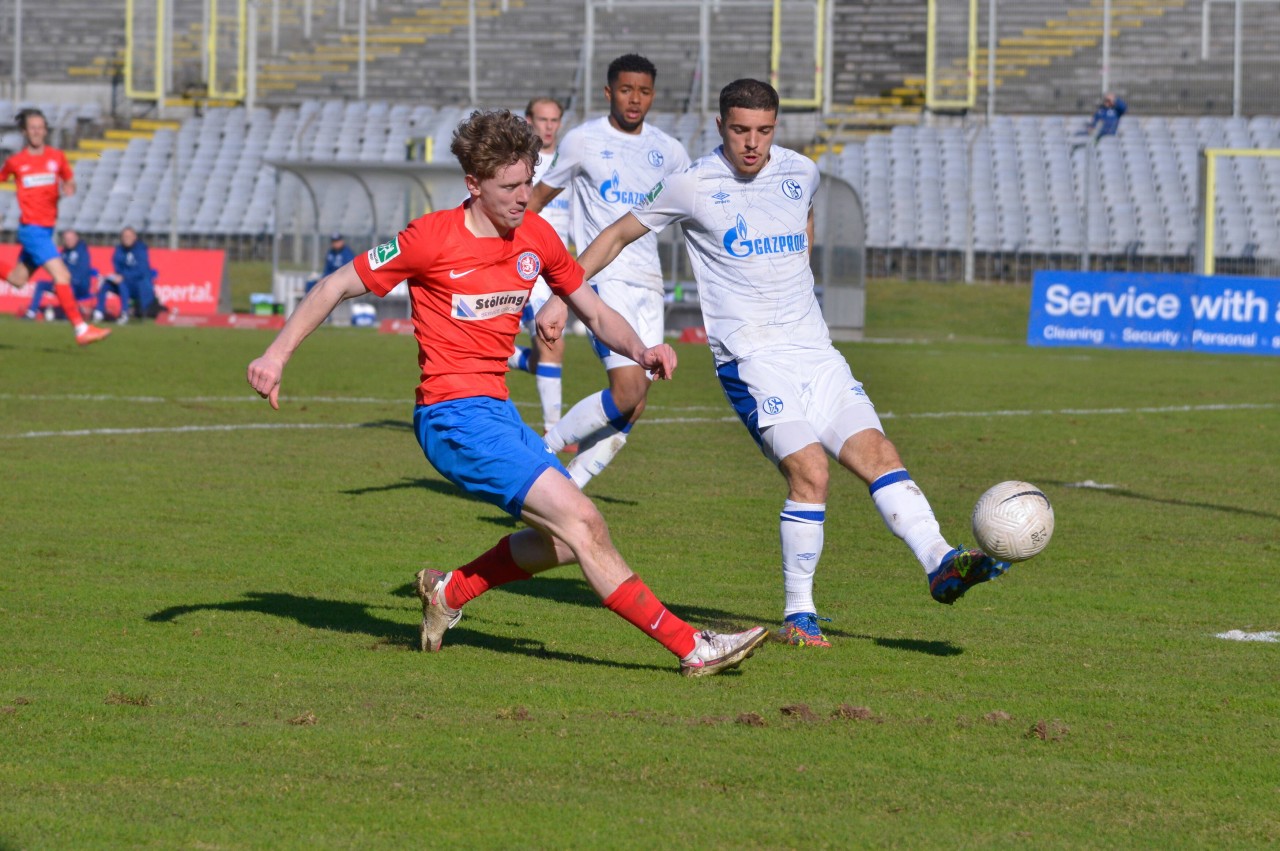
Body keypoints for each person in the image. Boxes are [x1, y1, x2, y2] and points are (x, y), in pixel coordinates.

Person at [245, 109, 767, 677]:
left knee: (566, 543)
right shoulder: (430, 238)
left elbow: (591, 309)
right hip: (451, 418)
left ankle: (450, 591)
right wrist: (276, 355)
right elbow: (336, 284)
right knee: (585, 525)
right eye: (510, 187)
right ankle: (692, 646)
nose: (524, 197)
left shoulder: (536, 236)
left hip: (495, 412)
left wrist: (640, 350)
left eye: (528, 182)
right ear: (473, 184)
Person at [540, 80, 1011, 648]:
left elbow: (802, 223)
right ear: (720, 126)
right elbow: (615, 235)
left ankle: (940, 562)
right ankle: (799, 613)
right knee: (810, 471)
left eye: (764, 131)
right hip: (751, 360)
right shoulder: (691, 185)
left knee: (881, 456)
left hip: (816, 353)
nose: (752, 144)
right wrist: (557, 295)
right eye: (740, 130)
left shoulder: (800, 172)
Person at [527, 54, 691, 488]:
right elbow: (537, 198)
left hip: (649, 283)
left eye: (643, 91)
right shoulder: (582, 142)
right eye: (625, 89)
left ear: (653, 95)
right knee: (628, 387)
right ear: (608, 92)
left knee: (634, 403)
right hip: (601, 278)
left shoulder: (670, 152)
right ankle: (542, 452)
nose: (634, 99)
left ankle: (569, 485)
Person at [0, 108, 110, 345]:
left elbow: (69, 179)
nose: (37, 131)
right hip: (32, 230)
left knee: (18, 279)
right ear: (24, 132)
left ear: (46, 130)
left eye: (41, 127)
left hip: (46, 230)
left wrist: (70, 187)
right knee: (62, 274)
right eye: (33, 128)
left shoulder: (57, 157)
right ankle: (81, 329)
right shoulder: (15, 162)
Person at [507, 96, 573, 439]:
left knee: (549, 350)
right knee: (553, 343)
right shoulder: (519, 164)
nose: (548, 126)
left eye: (554, 120)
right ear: (529, 120)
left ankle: (506, 355)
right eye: (542, 119)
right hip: (528, 264)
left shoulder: (569, 163)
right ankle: (554, 432)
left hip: (558, 266)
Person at [22, 229, 97, 320]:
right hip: (64, 283)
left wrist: (66, 282)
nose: (68, 241)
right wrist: (56, 282)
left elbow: (82, 271)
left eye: (71, 239)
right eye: (66, 239)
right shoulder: (64, 252)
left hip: (80, 286)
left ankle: (69, 316)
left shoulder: (82, 251)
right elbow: (59, 270)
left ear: (76, 238)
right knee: (41, 285)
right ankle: (31, 312)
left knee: (69, 288)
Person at [93, 226, 157, 323]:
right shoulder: (119, 250)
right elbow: (117, 267)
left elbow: (142, 271)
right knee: (106, 284)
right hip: (124, 282)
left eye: (129, 236)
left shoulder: (141, 249)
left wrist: (124, 276)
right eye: (124, 236)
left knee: (122, 283)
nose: (126, 239)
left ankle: (124, 313)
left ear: (134, 237)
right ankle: (99, 312)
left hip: (139, 285)